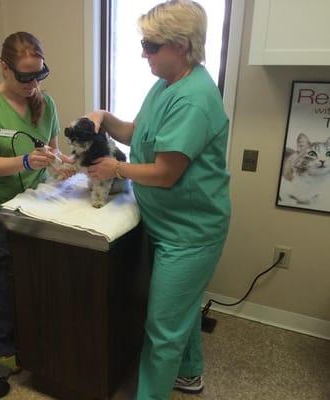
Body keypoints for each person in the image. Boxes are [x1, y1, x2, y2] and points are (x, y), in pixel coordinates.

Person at [86, 1, 231, 399]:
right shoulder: (165, 83)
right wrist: (103, 115)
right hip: (166, 223)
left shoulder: (194, 97)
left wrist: (114, 170)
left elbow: (166, 173)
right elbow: (138, 133)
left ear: (181, 45)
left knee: (162, 328)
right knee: (179, 310)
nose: (143, 53)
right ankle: (189, 374)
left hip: (190, 233)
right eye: (143, 44)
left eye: (151, 45)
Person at [0, 31, 68, 373]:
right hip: (1, 211)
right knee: (6, 280)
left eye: (39, 74)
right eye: (24, 76)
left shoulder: (47, 103)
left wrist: (66, 164)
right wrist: (24, 161)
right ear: (4, 69)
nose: (32, 83)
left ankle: (33, 335)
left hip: (37, 205)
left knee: (38, 276)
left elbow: (53, 152)